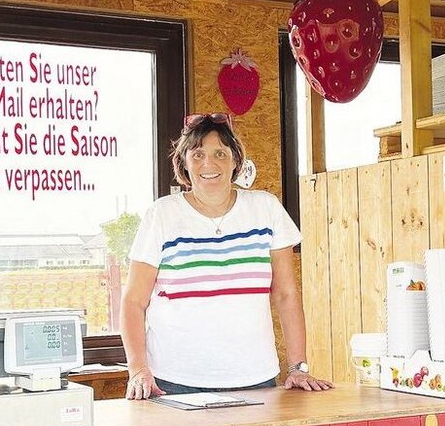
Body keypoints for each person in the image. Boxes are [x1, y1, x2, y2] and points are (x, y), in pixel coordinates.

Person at [120, 113, 333, 398]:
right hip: (173, 381)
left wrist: (298, 367)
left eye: (220, 153)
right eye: (197, 155)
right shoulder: (162, 214)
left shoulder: (266, 209)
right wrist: (138, 369)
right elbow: (134, 301)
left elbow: (286, 294)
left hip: (255, 379)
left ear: (236, 161)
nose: (209, 164)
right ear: (184, 163)